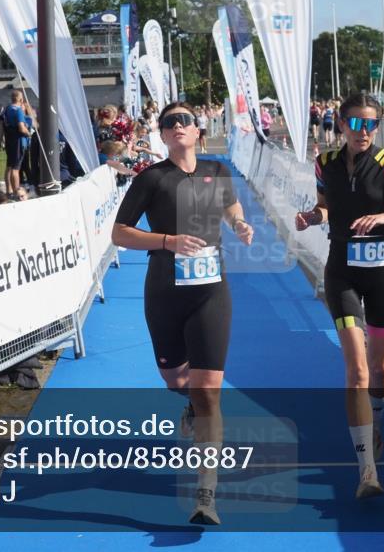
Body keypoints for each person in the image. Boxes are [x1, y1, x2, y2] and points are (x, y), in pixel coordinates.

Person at [111, 101, 254, 525]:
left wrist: (240, 224)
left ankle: (205, 493)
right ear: (162, 134)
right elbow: (120, 232)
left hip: (211, 292)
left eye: (184, 121)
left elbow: (231, 208)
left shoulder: (217, 172)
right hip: (165, 292)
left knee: (209, 389)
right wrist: (167, 241)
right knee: (176, 380)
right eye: (169, 123)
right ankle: (187, 402)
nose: (177, 127)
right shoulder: (152, 178)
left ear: (197, 130)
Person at [295, 92, 384, 499]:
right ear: (341, 124)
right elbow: (326, 206)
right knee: (356, 370)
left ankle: (377, 419)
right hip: (342, 275)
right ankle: (367, 469)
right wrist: (312, 216)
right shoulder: (326, 163)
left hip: (383, 276)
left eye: (372, 124)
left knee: (381, 370)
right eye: (356, 124)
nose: (364, 132)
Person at [1, 91, 30, 197]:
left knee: (9, 166)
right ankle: (17, 193)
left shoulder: (7, 109)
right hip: (18, 141)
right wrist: (29, 133)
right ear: (21, 99)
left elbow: (2, 125)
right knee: (15, 168)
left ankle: (9, 191)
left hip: (9, 140)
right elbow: (21, 128)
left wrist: (0, 139)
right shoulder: (18, 110)